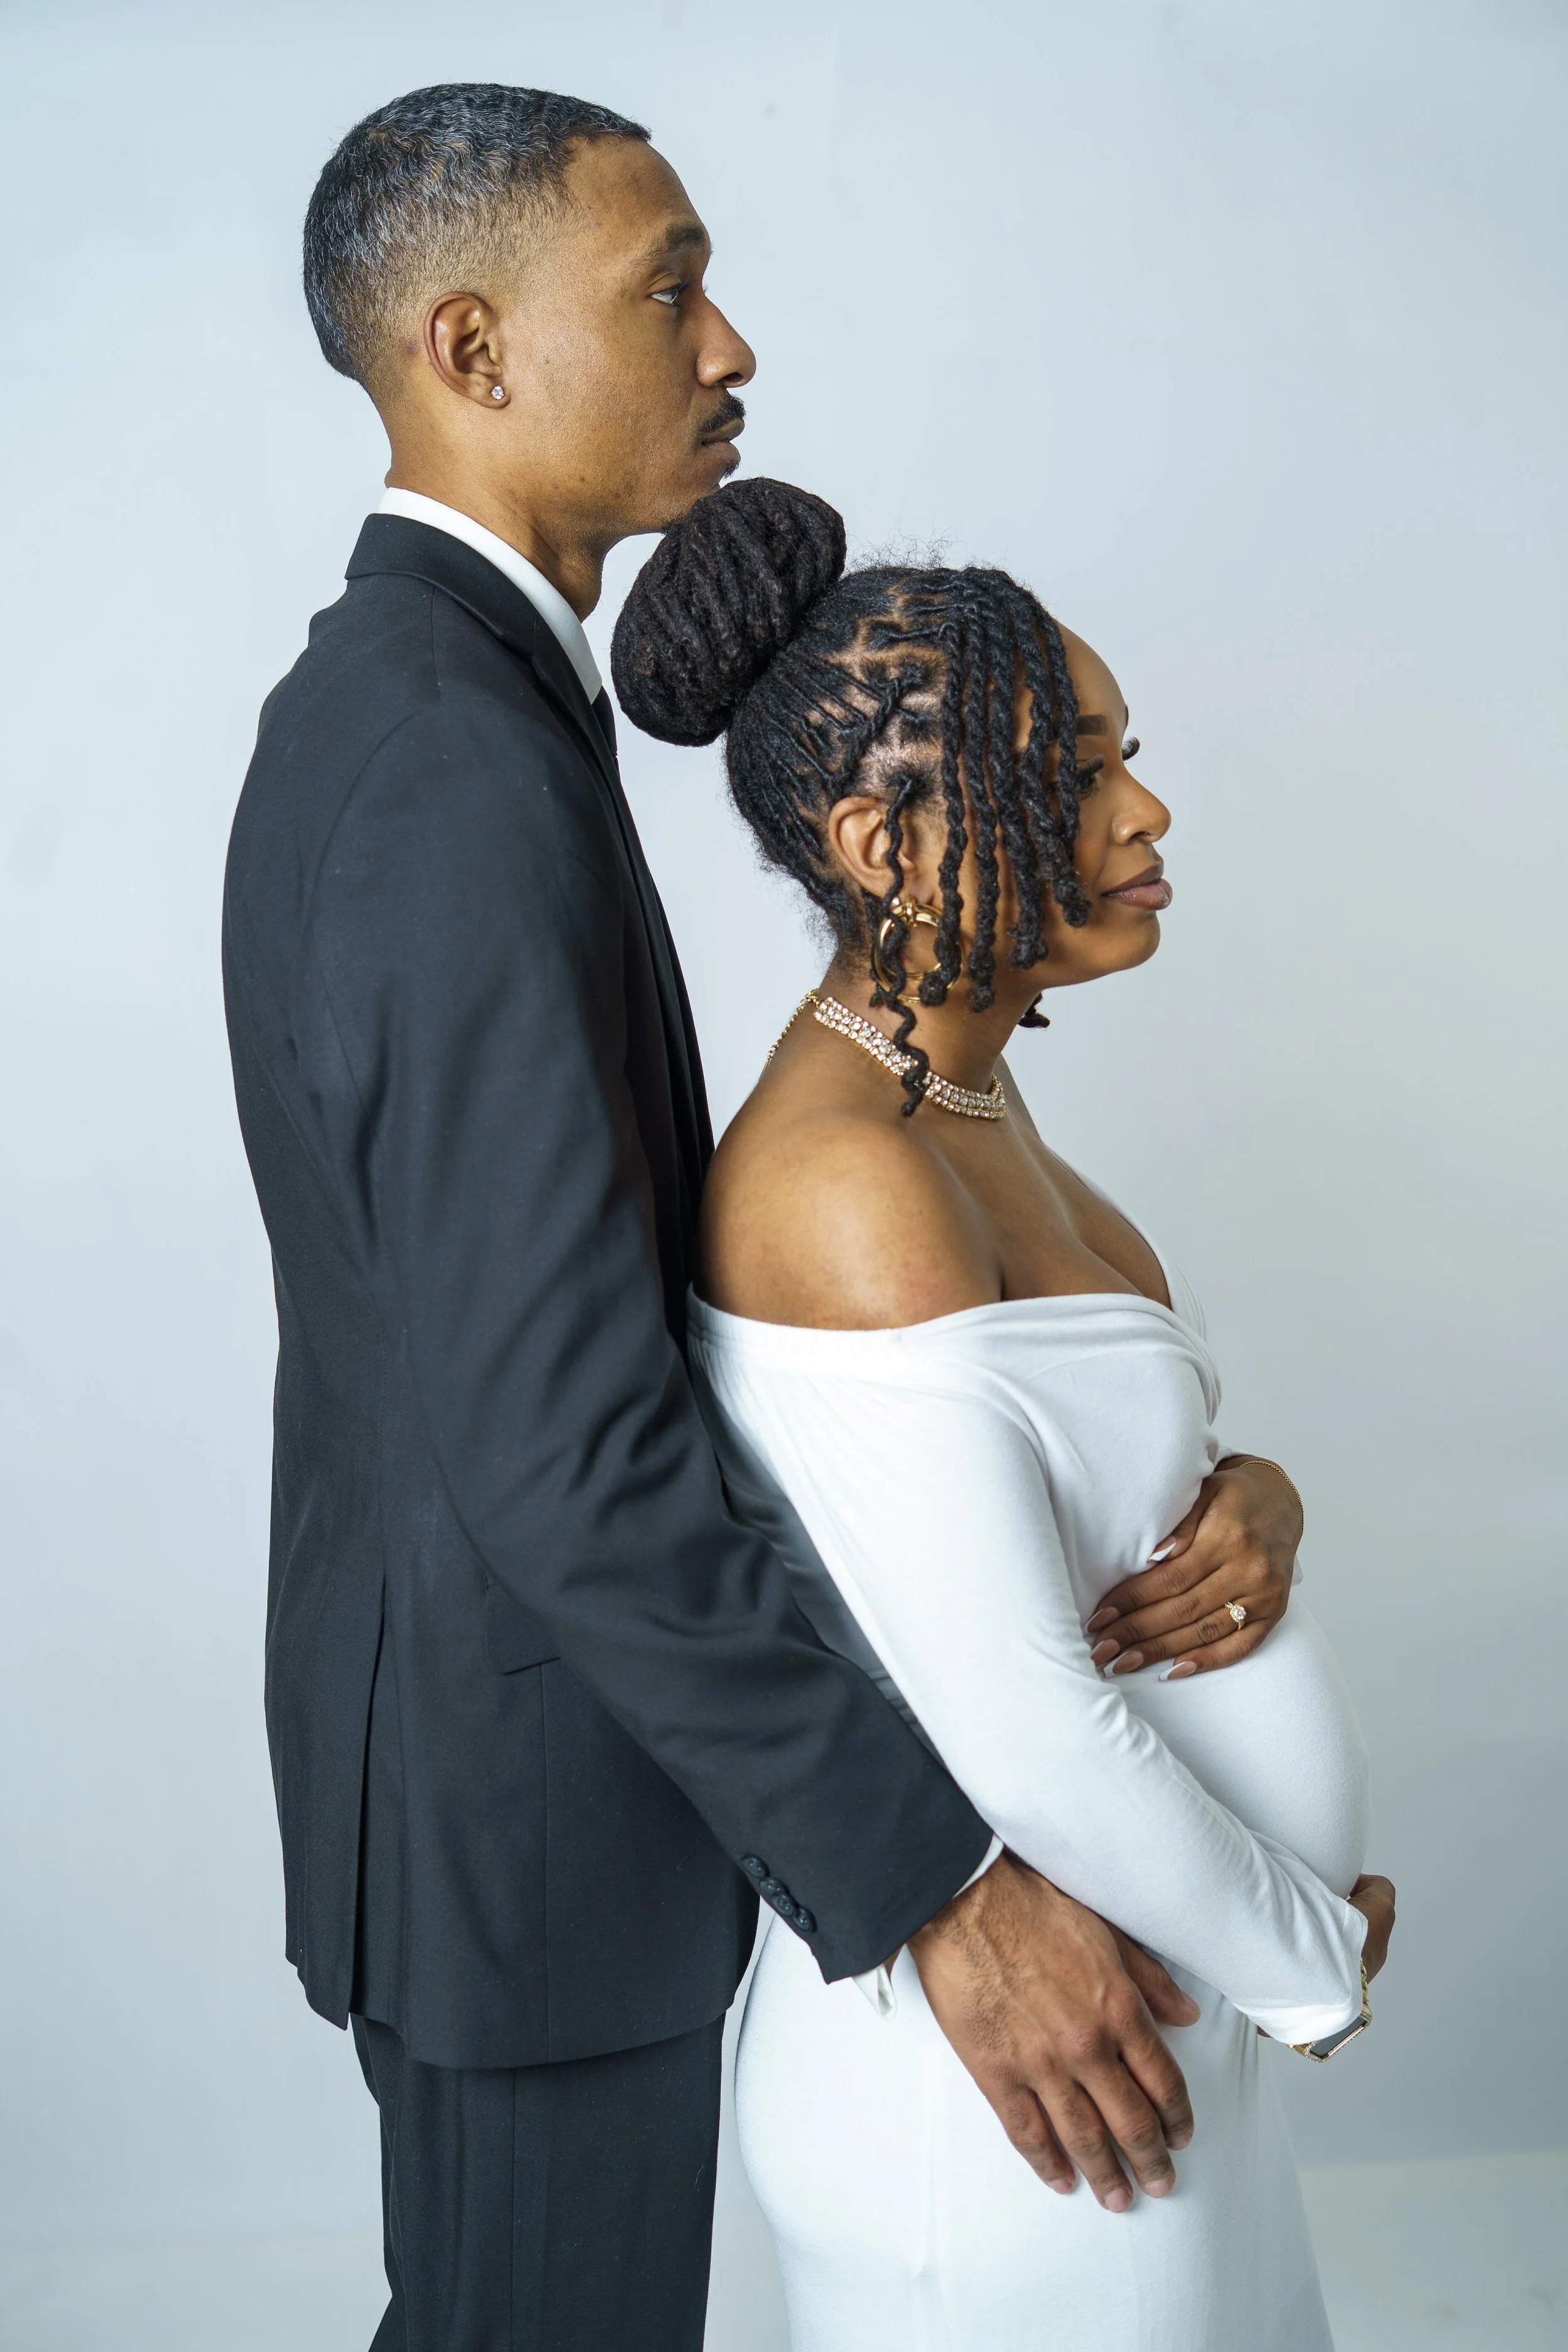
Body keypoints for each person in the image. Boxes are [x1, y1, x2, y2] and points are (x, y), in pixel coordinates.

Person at [223, 82, 1343, 2352]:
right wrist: (937, 1879)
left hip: (531, 1806)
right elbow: (558, 1440)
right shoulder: (443, 763)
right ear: (472, 344)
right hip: (520, 1833)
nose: (729, 345)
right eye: (667, 287)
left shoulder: (458, 718)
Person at [611, 478, 1397, 2351]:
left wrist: (1252, 1490)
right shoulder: (846, 1185)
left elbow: (1063, 1488)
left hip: (1151, 2037)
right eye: (1080, 768)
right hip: (1024, 2105)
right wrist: (1310, 1958)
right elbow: (1023, 1731)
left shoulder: (965, 1106)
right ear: (882, 839)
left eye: (1130, 755)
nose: (1145, 814)